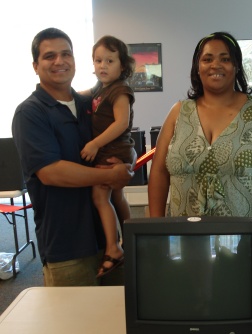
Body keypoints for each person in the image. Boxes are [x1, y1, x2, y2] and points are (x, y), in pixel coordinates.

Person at [11, 27, 135, 286]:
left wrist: (127, 162)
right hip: (67, 248)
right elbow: (52, 172)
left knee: (118, 321)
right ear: (35, 65)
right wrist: (110, 174)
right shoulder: (30, 113)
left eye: (66, 54)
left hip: (107, 240)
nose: (59, 61)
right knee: (73, 325)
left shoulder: (88, 104)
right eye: (49, 56)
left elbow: (119, 129)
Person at [148, 32, 252, 217]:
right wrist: (156, 228)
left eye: (225, 59)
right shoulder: (179, 112)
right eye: (207, 59)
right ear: (197, 68)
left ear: (236, 66)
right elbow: (159, 172)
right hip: (184, 237)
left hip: (245, 237)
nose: (215, 65)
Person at [80, 36, 136, 278]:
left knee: (99, 196)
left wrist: (94, 143)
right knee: (117, 195)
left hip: (111, 150)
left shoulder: (120, 90)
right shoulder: (101, 89)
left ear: (122, 66)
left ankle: (113, 249)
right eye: (98, 60)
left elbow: (122, 122)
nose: (102, 65)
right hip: (115, 149)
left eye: (109, 61)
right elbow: (84, 95)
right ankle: (131, 236)